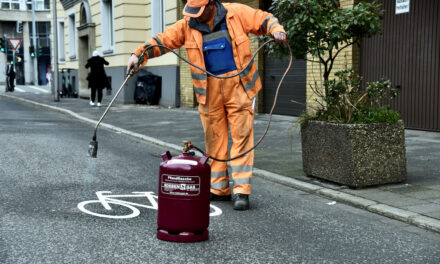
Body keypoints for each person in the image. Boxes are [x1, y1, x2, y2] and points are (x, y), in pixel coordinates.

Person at [126, 0, 287, 210]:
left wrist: (276, 29)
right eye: (192, 12)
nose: (195, 16)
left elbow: (263, 18)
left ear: (212, 4)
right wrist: (138, 54)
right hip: (209, 93)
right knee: (214, 142)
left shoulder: (235, 13)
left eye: (199, 12)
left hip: (239, 87)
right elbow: (162, 40)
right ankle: (219, 189)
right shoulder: (187, 24)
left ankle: (241, 191)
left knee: (242, 139)